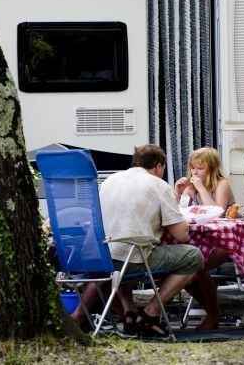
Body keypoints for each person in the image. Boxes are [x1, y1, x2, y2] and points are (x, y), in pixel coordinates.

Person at [78, 144, 205, 338]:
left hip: (98, 256)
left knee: (124, 250)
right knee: (193, 256)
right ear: (159, 167)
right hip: (128, 260)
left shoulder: (110, 180)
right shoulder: (158, 185)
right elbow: (181, 235)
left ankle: (129, 313)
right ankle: (149, 314)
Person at [171, 147, 236, 330]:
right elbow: (178, 213)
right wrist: (179, 193)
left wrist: (200, 188)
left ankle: (213, 313)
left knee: (194, 266)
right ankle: (213, 312)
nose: (195, 172)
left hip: (225, 241)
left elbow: (217, 212)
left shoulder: (221, 184)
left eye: (200, 168)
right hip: (202, 240)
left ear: (212, 168)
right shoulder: (192, 187)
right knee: (184, 268)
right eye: (193, 168)